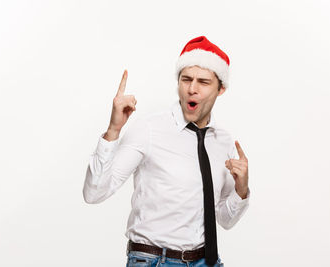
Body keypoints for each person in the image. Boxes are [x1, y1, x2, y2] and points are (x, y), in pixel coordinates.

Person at [83, 36, 251, 267]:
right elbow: (94, 194)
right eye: (186, 79)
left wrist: (241, 190)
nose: (192, 89)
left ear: (220, 89)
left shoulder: (223, 141)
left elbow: (225, 220)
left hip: (208, 261)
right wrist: (113, 130)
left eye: (203, 82)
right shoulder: (149, 130)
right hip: (156, 261)